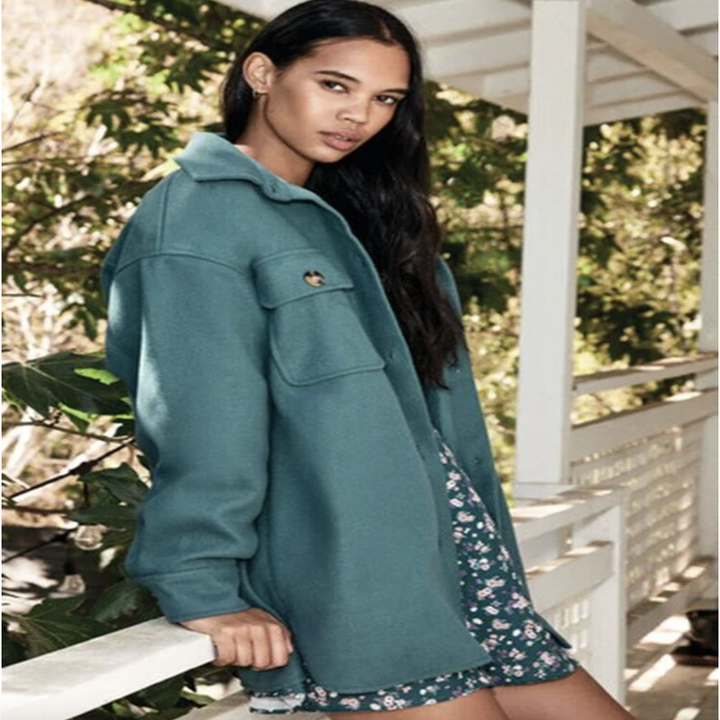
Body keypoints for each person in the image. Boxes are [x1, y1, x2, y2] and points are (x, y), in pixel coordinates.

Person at [100, 1, 636, 718]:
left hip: (455, 554)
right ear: (261, 73)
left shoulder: (358, 214)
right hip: (360, 575)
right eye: (335, 85)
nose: (359, 115)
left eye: (386, 99)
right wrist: (201, 586)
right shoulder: (195, 224)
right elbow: (199, 422)